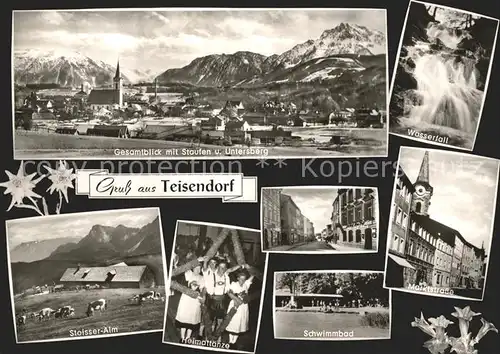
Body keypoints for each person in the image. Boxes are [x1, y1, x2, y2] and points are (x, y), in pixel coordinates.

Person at [175, 266, 205, 341]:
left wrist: (201, 297)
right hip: (186, 298)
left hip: (195, 300)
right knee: (185, 318)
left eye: (199, 268)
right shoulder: (189, 274)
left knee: (192, 319)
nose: (197, 270)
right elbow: (183, 267)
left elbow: (202, 290)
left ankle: (188, 338)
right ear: (193, 268)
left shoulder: (202, 278)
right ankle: (182, 338)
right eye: (196, 268)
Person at [226, 266, 254, 346]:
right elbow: (229, 292)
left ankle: (234, 342)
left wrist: (248, 267)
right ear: (238, 278)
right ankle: (230, 341)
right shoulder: (234, 284)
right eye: (241, 279)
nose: (242, 280)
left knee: (239, 323)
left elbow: (252, 275)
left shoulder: (246, 284)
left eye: (244, 279)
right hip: (235, 304)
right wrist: (236, 296)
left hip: (243, 307)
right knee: (232, 322)